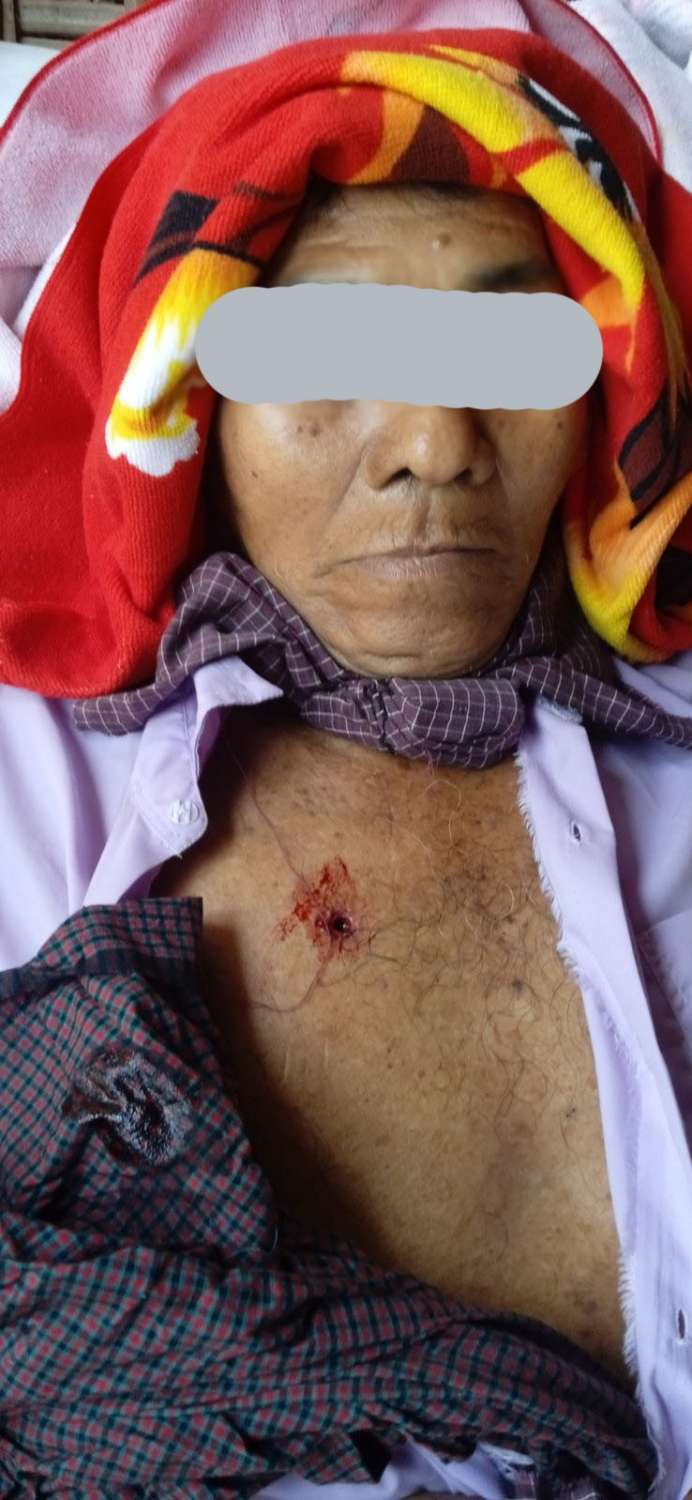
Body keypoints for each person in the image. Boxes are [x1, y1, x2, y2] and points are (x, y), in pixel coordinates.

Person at [2, 19, 692, 1500]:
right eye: (324, 350)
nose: (434, 444)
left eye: (514, 349)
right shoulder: (36, 781)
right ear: (192, 405)